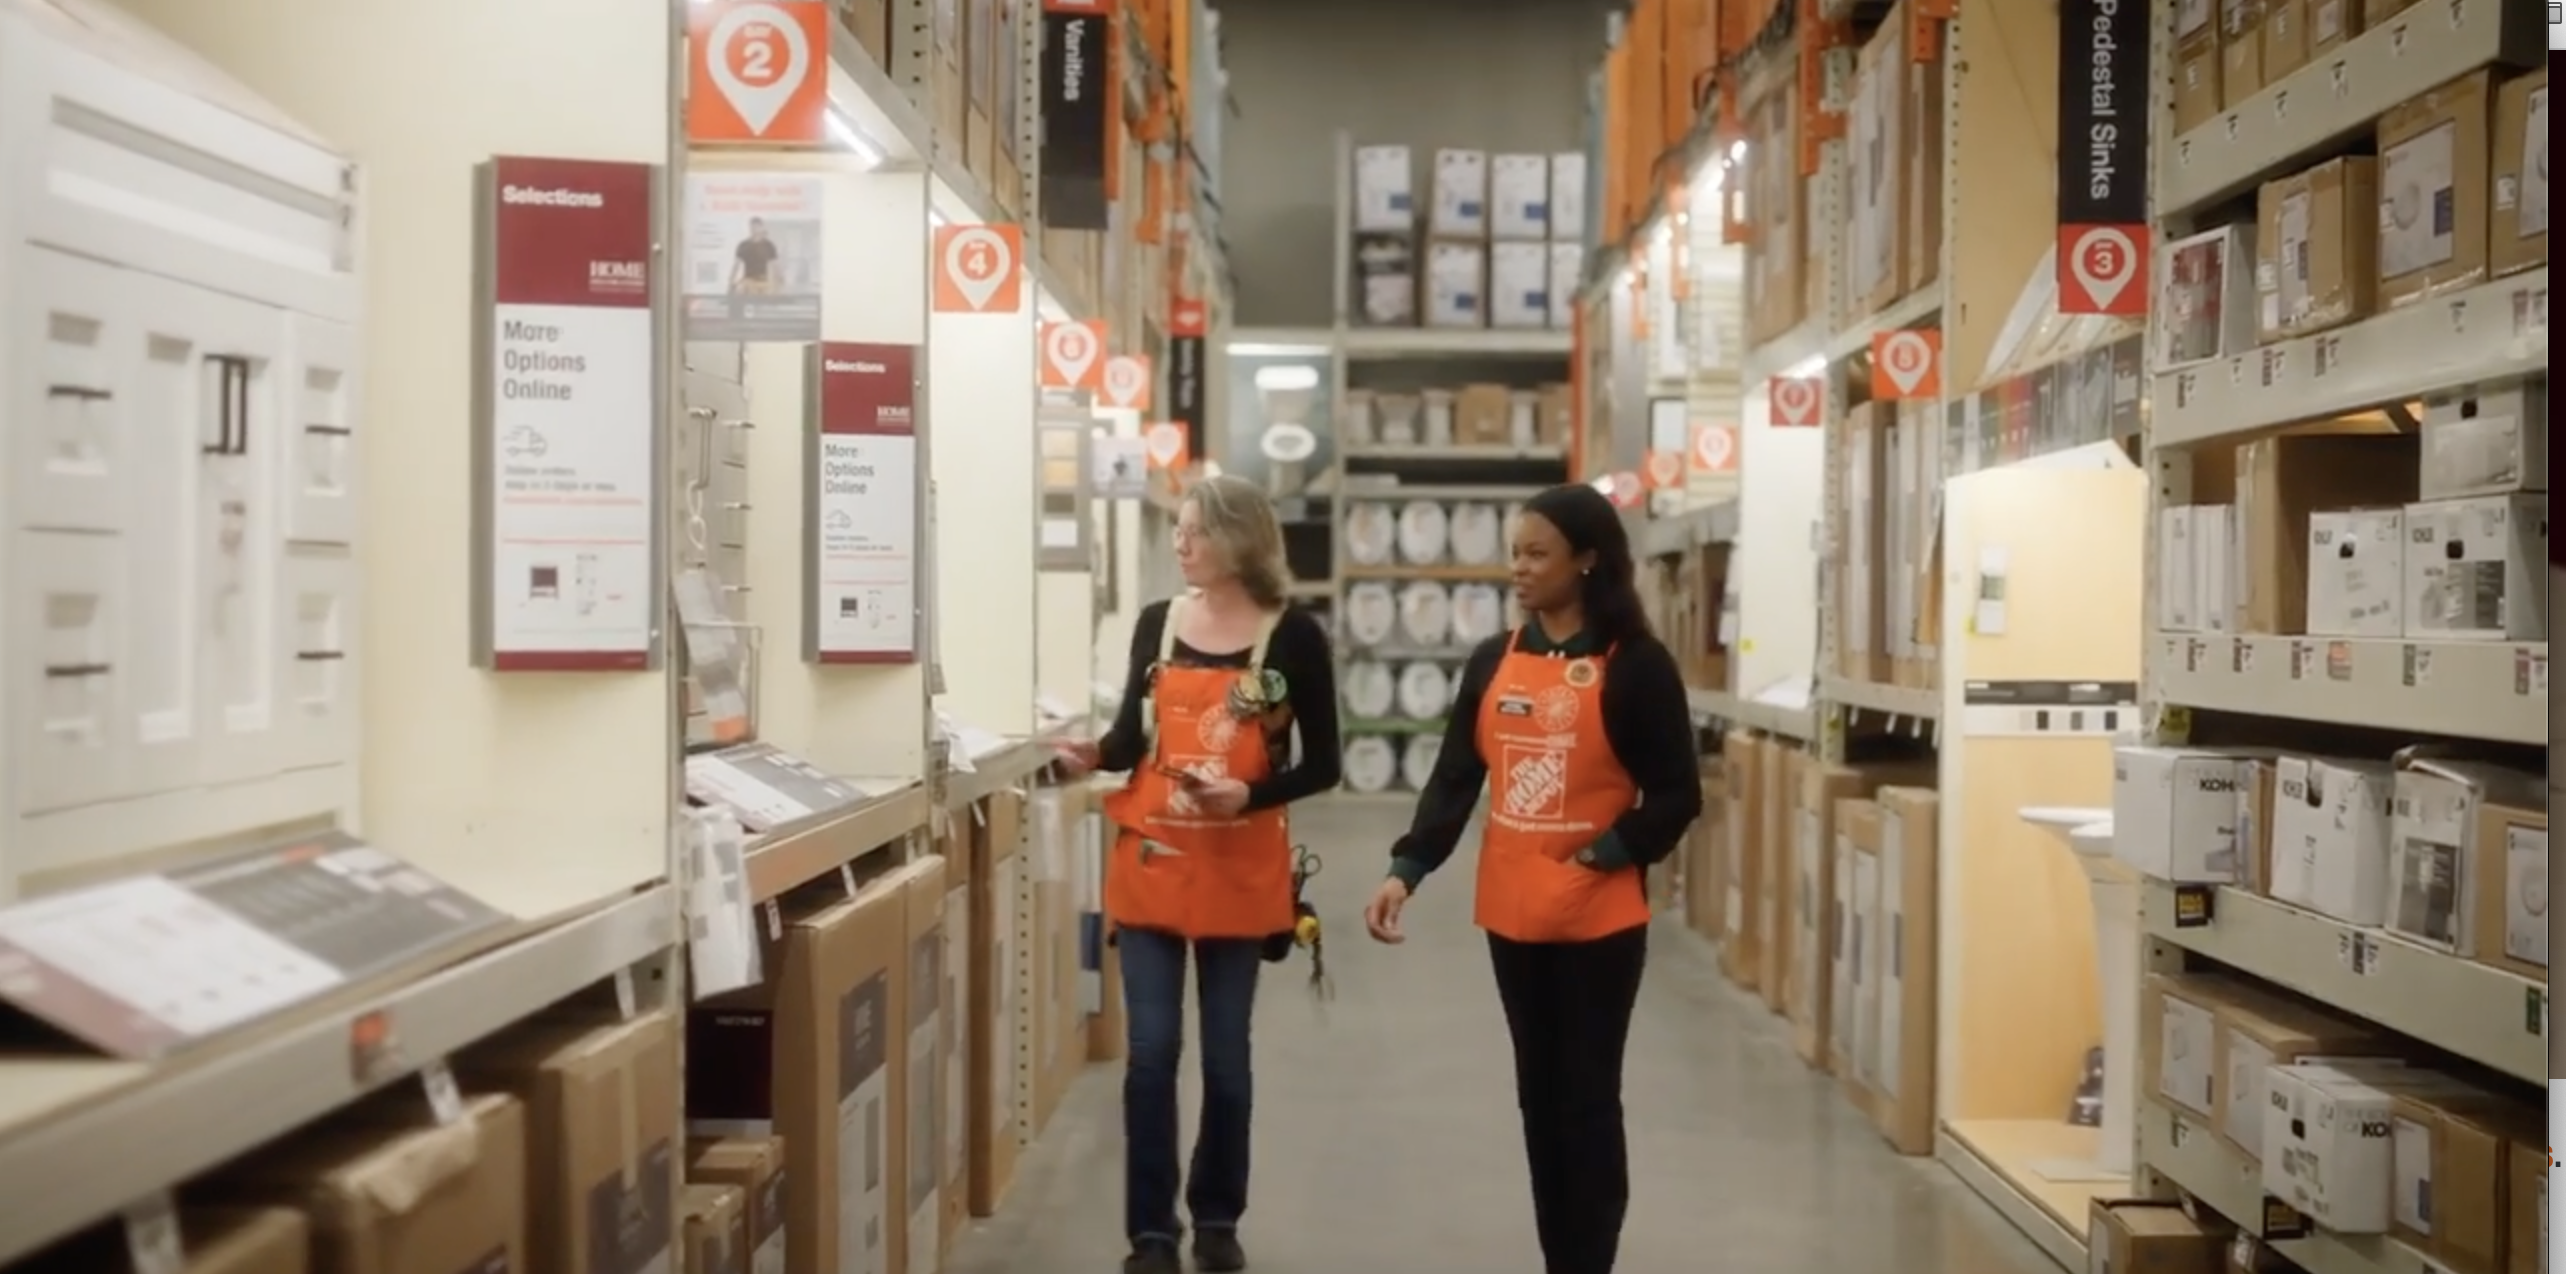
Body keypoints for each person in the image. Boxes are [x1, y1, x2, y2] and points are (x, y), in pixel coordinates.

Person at [1361, 481, 1701, 1274]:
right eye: (1515, 552)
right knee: (1538, 1101)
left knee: (1586, 1098)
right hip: (1513, 918)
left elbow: (1679, 793)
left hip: (1597, 919)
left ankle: (1590, 1260)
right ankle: (1561, 1257)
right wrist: (1406, 869)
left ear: (1587, 561)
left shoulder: (1637, 667)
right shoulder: (1495, 661)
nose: (1519, 568)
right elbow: (1454, 779)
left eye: (1537, 553)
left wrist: (1607, 854)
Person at [1057, 474, 1342, 1274]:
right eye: (1178, 531)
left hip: (1240, 870)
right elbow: (1126, 739)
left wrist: (1248, 792)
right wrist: (1092, 755)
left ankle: (1218, 1216)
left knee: (1226, 1056)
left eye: (1193, 532)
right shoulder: (1158, 624)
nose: (1179, 544)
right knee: (1150, 1052)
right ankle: (1152, 1232)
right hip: (1151, 863)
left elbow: (1325, 766)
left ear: (1239, 541)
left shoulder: (1294, 638)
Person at [730, 217, 777, 293]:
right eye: (752, 227)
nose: (754, 230)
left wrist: (778, 283)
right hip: (748, 281)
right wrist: (731, 282)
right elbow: (736, 265)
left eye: (756, 227)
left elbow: (775, 266)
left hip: (763, 281)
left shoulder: (768, 245)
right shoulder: (743, 245)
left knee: (762, 300)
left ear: (761, 228)